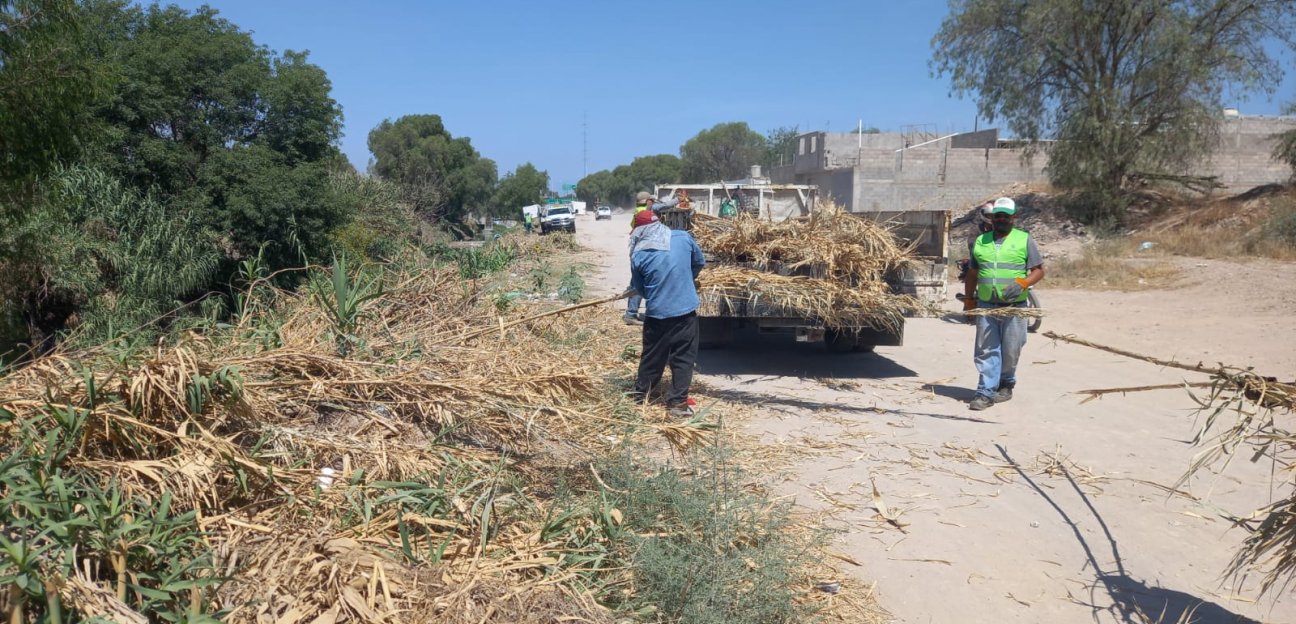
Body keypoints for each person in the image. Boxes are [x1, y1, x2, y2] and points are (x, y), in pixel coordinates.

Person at [962, 197, 1045, 411]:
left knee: (1011, 349)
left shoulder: (1024, 239)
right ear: (992, 218)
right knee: (986, 349)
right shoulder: (982, 241)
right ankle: (985, 391)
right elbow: (972, 273)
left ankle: (1006, 383)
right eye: (997, 215)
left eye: (1006, 216)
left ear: (1014, 218)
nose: (1001, 219)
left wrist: (1023, 283)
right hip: (986, 305)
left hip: (1015, 307)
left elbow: (1039, 270)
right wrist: (969, 300)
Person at [626, 209, 705, 417]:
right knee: (683, 358)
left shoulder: (639, 255)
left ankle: (642, 394)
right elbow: (699, 262)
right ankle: (677, 404)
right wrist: (686, 277)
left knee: (652, 355)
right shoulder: (683, 238)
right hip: (685, 313)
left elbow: (640, 289)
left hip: (657, 315)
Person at [624, 190, 680, 324]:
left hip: (637, 248)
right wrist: (678, 199)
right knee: (644, 282)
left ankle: (634, 313)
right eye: (650, 199)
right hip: (647, 248)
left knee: (638, 281)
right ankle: (632, 314)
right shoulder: (651, 209)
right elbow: (666, 205)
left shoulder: (637, 210)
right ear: (647, 201)